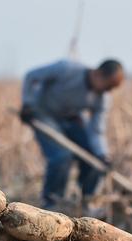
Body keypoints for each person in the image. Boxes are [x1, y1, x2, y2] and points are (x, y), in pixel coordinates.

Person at [20, 58, 124, 211]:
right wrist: (28, 104)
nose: (108, 92)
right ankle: (53, 203)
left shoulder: (103, 98)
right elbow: (32, 76)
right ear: (98, 74)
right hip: (44, 114)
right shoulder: (67, 69)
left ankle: (86, 201)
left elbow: (96, 131)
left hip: (71, 118)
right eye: (108, 86)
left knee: (95, 160)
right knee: (61, 156)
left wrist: (103, 154)